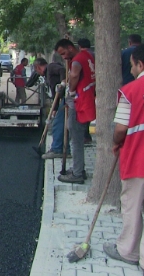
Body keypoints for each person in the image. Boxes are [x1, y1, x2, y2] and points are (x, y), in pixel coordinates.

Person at [103, 44, 144, 276]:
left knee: (132, 208)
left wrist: (115, 143)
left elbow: (121, 129)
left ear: (140, 64)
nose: (130, 70)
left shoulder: (131, 91)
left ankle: (128, 251)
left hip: (140, 160)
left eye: (131, 65)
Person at [54, 39, 96, 183]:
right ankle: (79, 168)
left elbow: (74, 75)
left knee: (75, 137)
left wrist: (70, 90)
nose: (64, 57)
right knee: (76, 135)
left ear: (70, 48)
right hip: (87, 98)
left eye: (64, 53)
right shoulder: (88, 55)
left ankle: (77, 173)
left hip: (79, 101)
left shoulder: (77, 60)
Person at [33, 58, 70, 159]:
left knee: (58, 124)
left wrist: (63, 82)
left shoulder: (51, 67)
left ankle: (58, 149)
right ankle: (63, 148)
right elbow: (54, 93)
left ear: (38, 67)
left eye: (36, 71)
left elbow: (62, 70)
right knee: (59, 123)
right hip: (61, 99)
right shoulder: (47, 74)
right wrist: (54, 109)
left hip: (66, 97)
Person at [77, 38, 94, 144]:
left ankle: (85, 135)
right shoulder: (94, 55)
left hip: (86, 88)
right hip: (94, 86)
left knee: (84, 111)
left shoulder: (81, 57)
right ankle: (86, 135)